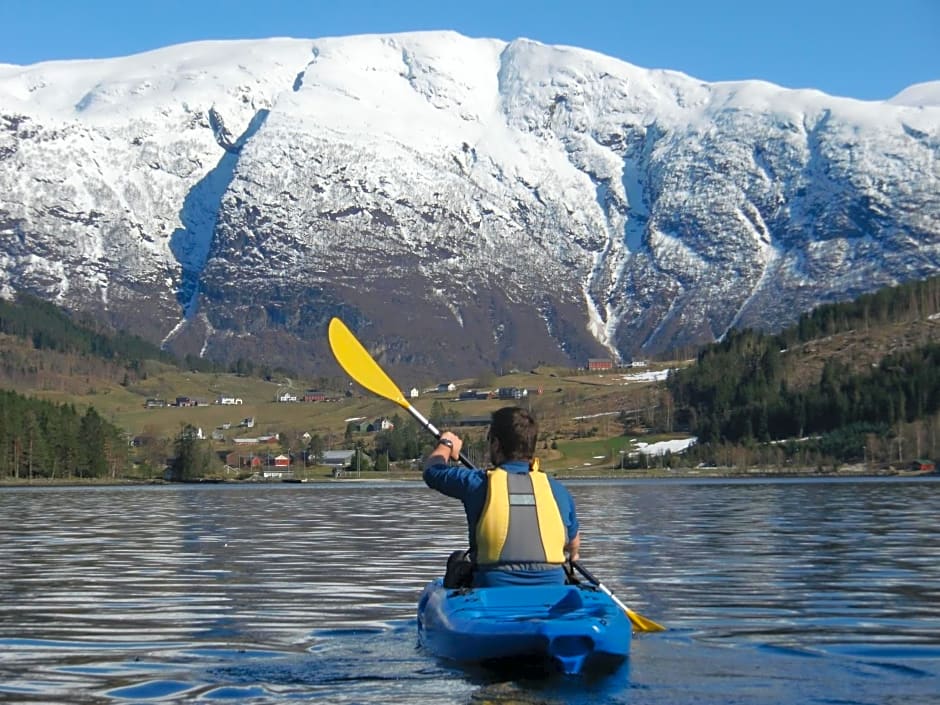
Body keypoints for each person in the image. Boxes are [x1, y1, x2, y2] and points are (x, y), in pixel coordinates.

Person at [423, 406, 580, 587]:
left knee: (457, 561)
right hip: (552, 588)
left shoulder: (477, 484)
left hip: (492, 590)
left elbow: (432, 471)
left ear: (496, 444)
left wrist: (447, 445)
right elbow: (573, 546)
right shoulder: (557, 490)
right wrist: (573, 555)